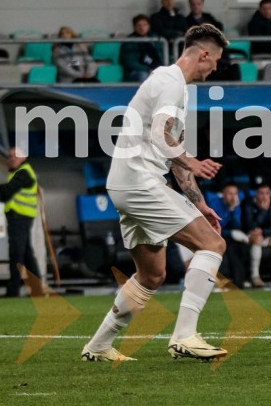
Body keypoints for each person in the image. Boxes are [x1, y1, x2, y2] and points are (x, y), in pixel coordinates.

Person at [82, 24, 229, 361]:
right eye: (216, 60)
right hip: (140, 182)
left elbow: (171, 152)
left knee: (151, 275)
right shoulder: (169, 82)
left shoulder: (176, 87)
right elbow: (163, 139)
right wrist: (193, 161)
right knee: (212, 245)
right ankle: (185, 335)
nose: (215, 68)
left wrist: (199, 203)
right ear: (204, 54)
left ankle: (98, 345)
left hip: (128, 183)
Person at [0, 148, 43, 298]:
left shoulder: (23, 173)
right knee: (26, 254)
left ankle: (13, 291)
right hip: (20, 217)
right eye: (9, 156)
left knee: (16, 253)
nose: (11, 158)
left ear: (24, 157)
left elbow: (4, 193)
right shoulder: (19, 173)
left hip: (19, 218)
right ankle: (37, 290)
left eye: (15, 156)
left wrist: (1, 189)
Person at [213, 183, 248, 289]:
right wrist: (230, 233)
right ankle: (223, 280)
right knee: (225, 245)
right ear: (223, 194)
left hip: (229, 237)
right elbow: (217, 226)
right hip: (215, 236)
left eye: (235, 194)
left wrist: (232, 209)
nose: (233, 197)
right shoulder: (215, 204)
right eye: (230, 194)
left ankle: (239, 281)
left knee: (241, 246)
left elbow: (237, 226)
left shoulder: (236, 205)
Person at [121, 15, 164, 83]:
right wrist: (147, 69)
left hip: (156, 69)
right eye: (139, 25)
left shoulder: (155, 39)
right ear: (134, 27)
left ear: (148, 26)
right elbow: (130, 62)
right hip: (137, 71)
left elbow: (163, 55)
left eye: (145, 25)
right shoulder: (129, 41)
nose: (142, 28)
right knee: (144, 75)